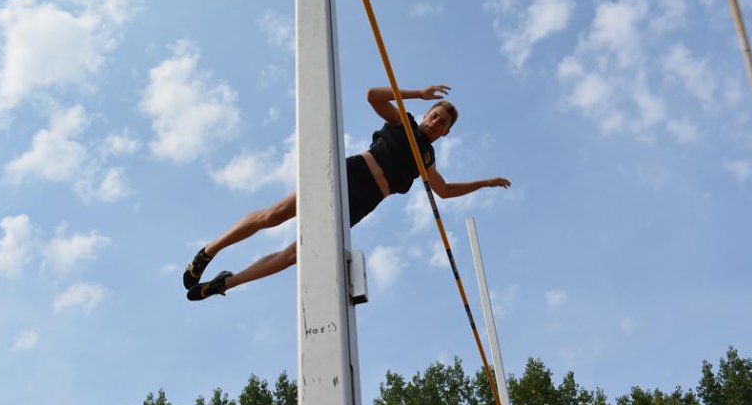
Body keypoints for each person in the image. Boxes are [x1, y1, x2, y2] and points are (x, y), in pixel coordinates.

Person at [183, 84, 511, 300]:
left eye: (442, 124)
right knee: (274, 215)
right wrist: (419, 94)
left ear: (446, 133)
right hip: (347, 174)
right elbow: (373, 96)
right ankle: (208, 251)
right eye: (434, 116)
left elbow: (445, 190)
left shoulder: (428, 158)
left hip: (362, 203)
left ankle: (226, 283)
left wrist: (484, 182)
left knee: (295, 255)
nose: (435, 123)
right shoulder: (405, 124)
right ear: (427, 114)